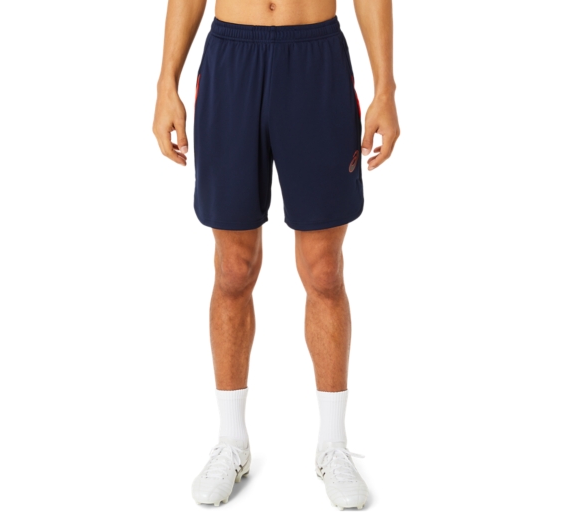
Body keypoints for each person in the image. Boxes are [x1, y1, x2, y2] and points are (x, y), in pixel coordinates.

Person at [153, 0, 399, 507]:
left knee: (324, 270)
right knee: (233, 268)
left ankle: (333, 446)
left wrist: (385, 88)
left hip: (315, 57)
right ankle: (231, 443)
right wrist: (165, 83)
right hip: (232, 58)